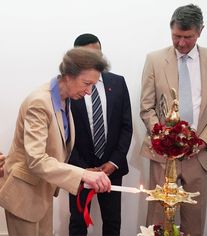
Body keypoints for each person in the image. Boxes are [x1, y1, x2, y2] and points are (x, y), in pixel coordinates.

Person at [140, 4, 207, 236]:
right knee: (157, 220)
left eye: (187, 37)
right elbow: (146, 106)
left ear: (200, 31)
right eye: (176, 36)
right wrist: (162, 136)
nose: (181, 43)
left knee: (194, 221)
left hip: (198, 156)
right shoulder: (154, 59)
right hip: (162, 155)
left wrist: (201, 142)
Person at [0, 47, 111, 236]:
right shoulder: (39, 103)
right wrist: (82, 174)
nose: (89, 91)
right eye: (86, 83)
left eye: (93, 85)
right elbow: (36, 159)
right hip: (24, 195)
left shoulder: (64, 99)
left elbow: (57, 149)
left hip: (41, 191)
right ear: (68, 75)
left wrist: (85, 173)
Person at [68, 33, 133, 236]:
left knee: (112, 222)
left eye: (98, 55)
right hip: (80, 168)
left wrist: (113, 162)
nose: (95, 61)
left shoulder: (118, 83)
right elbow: (64, 134)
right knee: (78, 222)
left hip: (111, 169)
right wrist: (81, 168)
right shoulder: (69, 88)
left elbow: (126, 126)